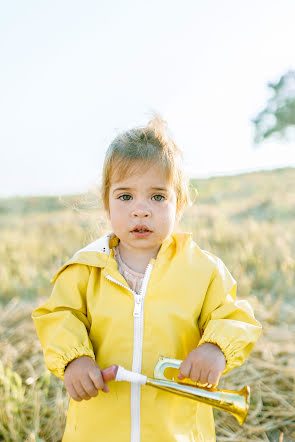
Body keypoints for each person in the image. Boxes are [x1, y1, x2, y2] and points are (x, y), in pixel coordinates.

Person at [32, 116, 262, 442]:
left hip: (176, 431)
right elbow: (58, 317)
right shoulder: (84, 269)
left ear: (179, 204)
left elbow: (235, 315)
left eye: (157, 197)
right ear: (107, 204)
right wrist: (74, 358)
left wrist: (216, 347)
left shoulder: (202, 269)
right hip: (98, 431)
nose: (140, 210)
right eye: (125, 197)